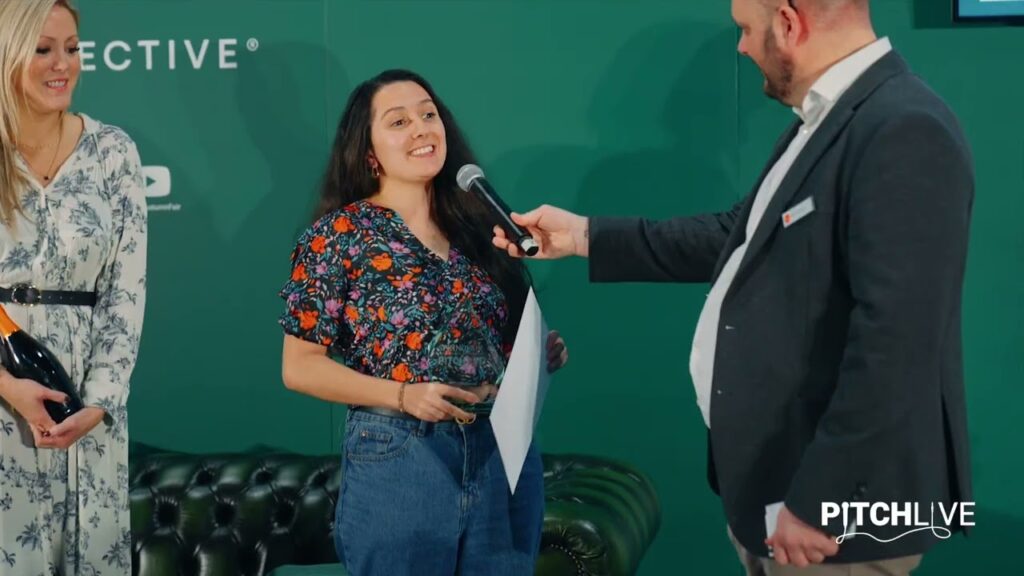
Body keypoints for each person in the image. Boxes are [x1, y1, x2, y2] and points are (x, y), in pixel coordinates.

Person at [494, 1, 973, 574]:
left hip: (835, 514)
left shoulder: (903, 129)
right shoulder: (831, 118)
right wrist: (582, 236)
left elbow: (898, 341)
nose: (742, 47)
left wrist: (821, 497)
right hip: (781, 489)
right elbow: (740, 236)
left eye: (746, 29)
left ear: (789, 23)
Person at [278, 69, 568, 576]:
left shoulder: (481, 227)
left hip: (500, 449)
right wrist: (403, 395)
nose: (421, 128)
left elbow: (499, 340)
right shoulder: (338, 235)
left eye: (428, 114)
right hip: (402, 451)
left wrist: (538, 355)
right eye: (398, 121)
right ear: (369, 152)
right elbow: (299, 367)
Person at [0, 0, 147, 574]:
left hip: (86, 406)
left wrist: (100, 402)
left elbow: (126, 290)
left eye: (72, 48)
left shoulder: (114, 152)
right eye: (43, 49)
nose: (62, 64)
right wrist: (9, 388)